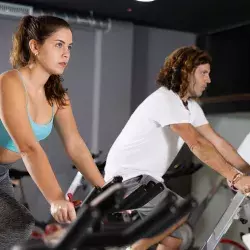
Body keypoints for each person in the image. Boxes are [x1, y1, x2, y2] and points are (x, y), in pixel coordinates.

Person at [104, 46, 250, 250]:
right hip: (127, 178)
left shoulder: (190, 107)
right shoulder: (166, 99)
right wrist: (234, 177)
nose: (208, 80)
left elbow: (217, 142)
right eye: (203, 73)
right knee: (179, 210)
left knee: (174, 239)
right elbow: (197, 144)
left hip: (148, 181)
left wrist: (246, 171)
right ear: (186, 72)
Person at [0, 15, 105, 248]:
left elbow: (75, 145)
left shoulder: (57, 97)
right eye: (58, 45)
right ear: (35, 46)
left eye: (69, 47)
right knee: (14, 226)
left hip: (1, 172)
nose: (66, 53)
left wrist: (105, 189)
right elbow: (27, 147)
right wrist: (56, 198)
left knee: (16, 226)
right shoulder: (10, 82)